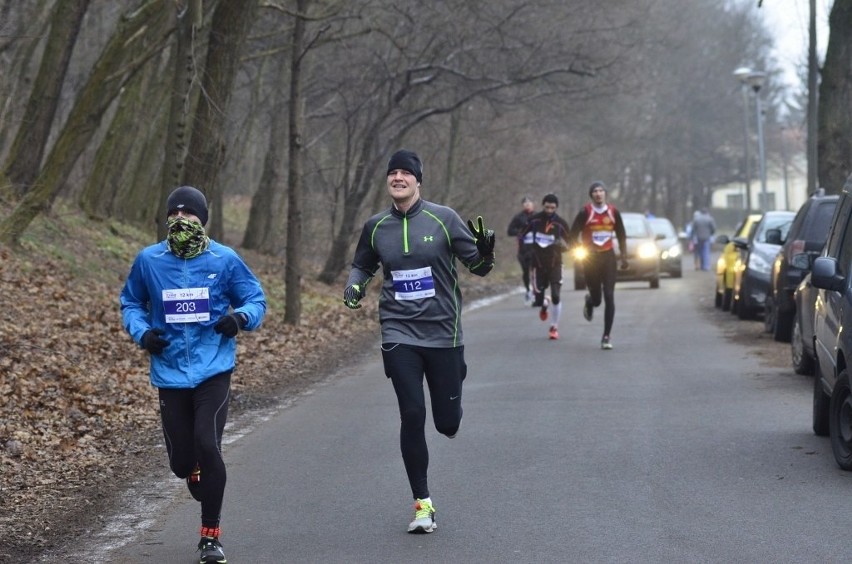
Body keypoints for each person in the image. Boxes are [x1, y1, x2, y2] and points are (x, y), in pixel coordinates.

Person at [342, 149, 495, 534]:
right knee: (411, 413)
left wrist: (486, 254)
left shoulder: (443, 219)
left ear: (417, 180)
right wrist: (355, 285)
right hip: (399, 332)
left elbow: (476, 265)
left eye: (405, 173)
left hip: (444, 333)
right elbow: (363, 262)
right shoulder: (376, 226)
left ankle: (453, 396)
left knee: (446, 423)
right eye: (392, 173)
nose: (398, 178)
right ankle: (423, 503)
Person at [120, 186, 266, 564]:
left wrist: (239, 318)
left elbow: (256, 299)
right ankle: (193, 469)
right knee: (182, 462)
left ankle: (210, 537)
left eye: (189, 215)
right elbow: (131, 303)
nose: (181, 220)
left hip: (213, 368)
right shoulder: (149, 260)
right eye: (175, 214)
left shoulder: (225, 259)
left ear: (203, 220)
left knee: (208, 441)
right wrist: (143, 333)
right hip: (169, 373)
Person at [569, 181, 627, 350]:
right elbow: (573, 235)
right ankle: (590, 301)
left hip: (608, 257)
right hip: (591, 259)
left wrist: (623, 257)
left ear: (605, 194)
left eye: (601, 190)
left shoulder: (613, 212)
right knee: (597, 300)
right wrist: (576, 250)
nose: (599, 193)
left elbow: (621, 235)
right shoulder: (585, 212)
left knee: (609, 295)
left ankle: (606, 336)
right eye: (595, 191)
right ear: (591, 195)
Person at [523, 193, 573, 340]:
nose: (550, 210)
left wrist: (563, 247)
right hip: (537, 264)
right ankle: (545, 303)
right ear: (543, 205)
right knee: (538, 300)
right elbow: (521, 235)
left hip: (555, 263)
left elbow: (571, 242)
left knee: (556, 295)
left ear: (556, 207)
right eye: (547, 207)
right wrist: (527, 251)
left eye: (553, 207)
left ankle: (554, 327)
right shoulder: (533, 220)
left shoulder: (561, 223)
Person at [506, 196, 536, 303]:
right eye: (525, 203)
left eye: (529, 202)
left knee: (535, 270)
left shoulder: (537, 216)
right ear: (522, 205)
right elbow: (509, 231)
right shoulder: (518, 217)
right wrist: (519, 232)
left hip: (536, 248)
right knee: (526, 271)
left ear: (533, 204)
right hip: (523, 249)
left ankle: (536, 291)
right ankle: (528, 290)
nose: (527, 204)